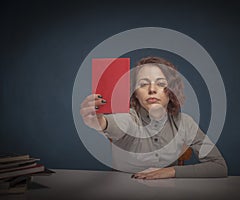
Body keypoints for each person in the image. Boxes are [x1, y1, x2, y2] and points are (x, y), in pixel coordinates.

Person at [80, 56, 227, 179]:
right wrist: (99, 121)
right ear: (135, 94)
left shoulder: (185, 122)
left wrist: (171, 172)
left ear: (172, 91)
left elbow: (219, 166)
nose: (152, 89)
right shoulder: (130, 118)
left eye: (161, 84)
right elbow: (116, 124)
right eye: (143, 84)